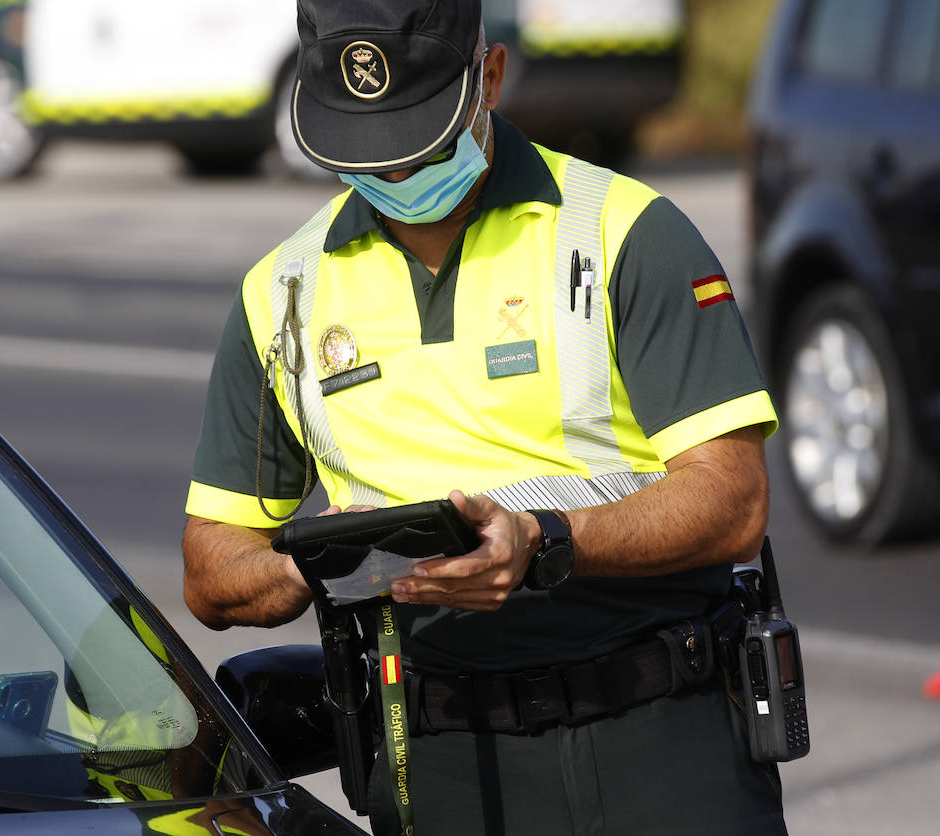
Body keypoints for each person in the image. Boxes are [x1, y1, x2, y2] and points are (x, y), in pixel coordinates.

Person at [182, 1, 788, 833]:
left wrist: (545, 543)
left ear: (489, 78)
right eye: (362, 153)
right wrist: (316, 566)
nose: (394, 178)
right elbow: (211, 568)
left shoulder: (627, 234)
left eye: (417, 144)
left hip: (661, 737)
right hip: (435, 760)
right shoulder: (280, 295)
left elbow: (734, 503)